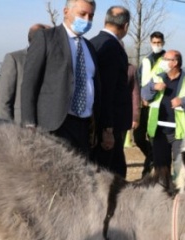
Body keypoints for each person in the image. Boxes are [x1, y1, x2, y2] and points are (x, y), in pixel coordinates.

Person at [21, 0, 100, 157]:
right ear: (66, 12)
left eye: (91, 16)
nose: (87, 20)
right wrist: (29, 124)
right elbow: (30, 83)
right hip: (54, 125)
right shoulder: (46, 38)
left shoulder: (89, 48)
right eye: (82, 14)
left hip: (84, 125)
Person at [141, 49, 185, 188]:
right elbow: (144, 94)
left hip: (179, 133)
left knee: (181, 169)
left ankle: (180, 197)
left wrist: (183, 101)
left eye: (166, 59)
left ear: (175, 63)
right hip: (158, 131)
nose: (162, 62)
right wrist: (153, 88)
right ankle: (163, 196)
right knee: (160, 169)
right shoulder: (157, 77)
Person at [89, 5, 131, 178]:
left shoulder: (93, 42)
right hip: (108, 124)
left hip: (96, 121)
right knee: (112, 174)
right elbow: (107, 91)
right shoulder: (112, 48)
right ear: (126, 26)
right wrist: (108, 130)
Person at [0, 23, 49, 124]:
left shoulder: (53, 61)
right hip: (20, 127)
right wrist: (9, 129)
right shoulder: (15, 59)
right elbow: (4, 100)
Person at [135, 31, 166, 177]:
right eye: (154, 43)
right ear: (150, 43)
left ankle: (146, 172)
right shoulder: (146, 61)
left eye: (159, 43)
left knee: (153, 138)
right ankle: (153, 157)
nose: (157, 45)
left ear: (163, 43)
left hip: (158, 105)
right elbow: (141, 79)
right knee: (138, 137)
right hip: (144, 104)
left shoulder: (167, 60)